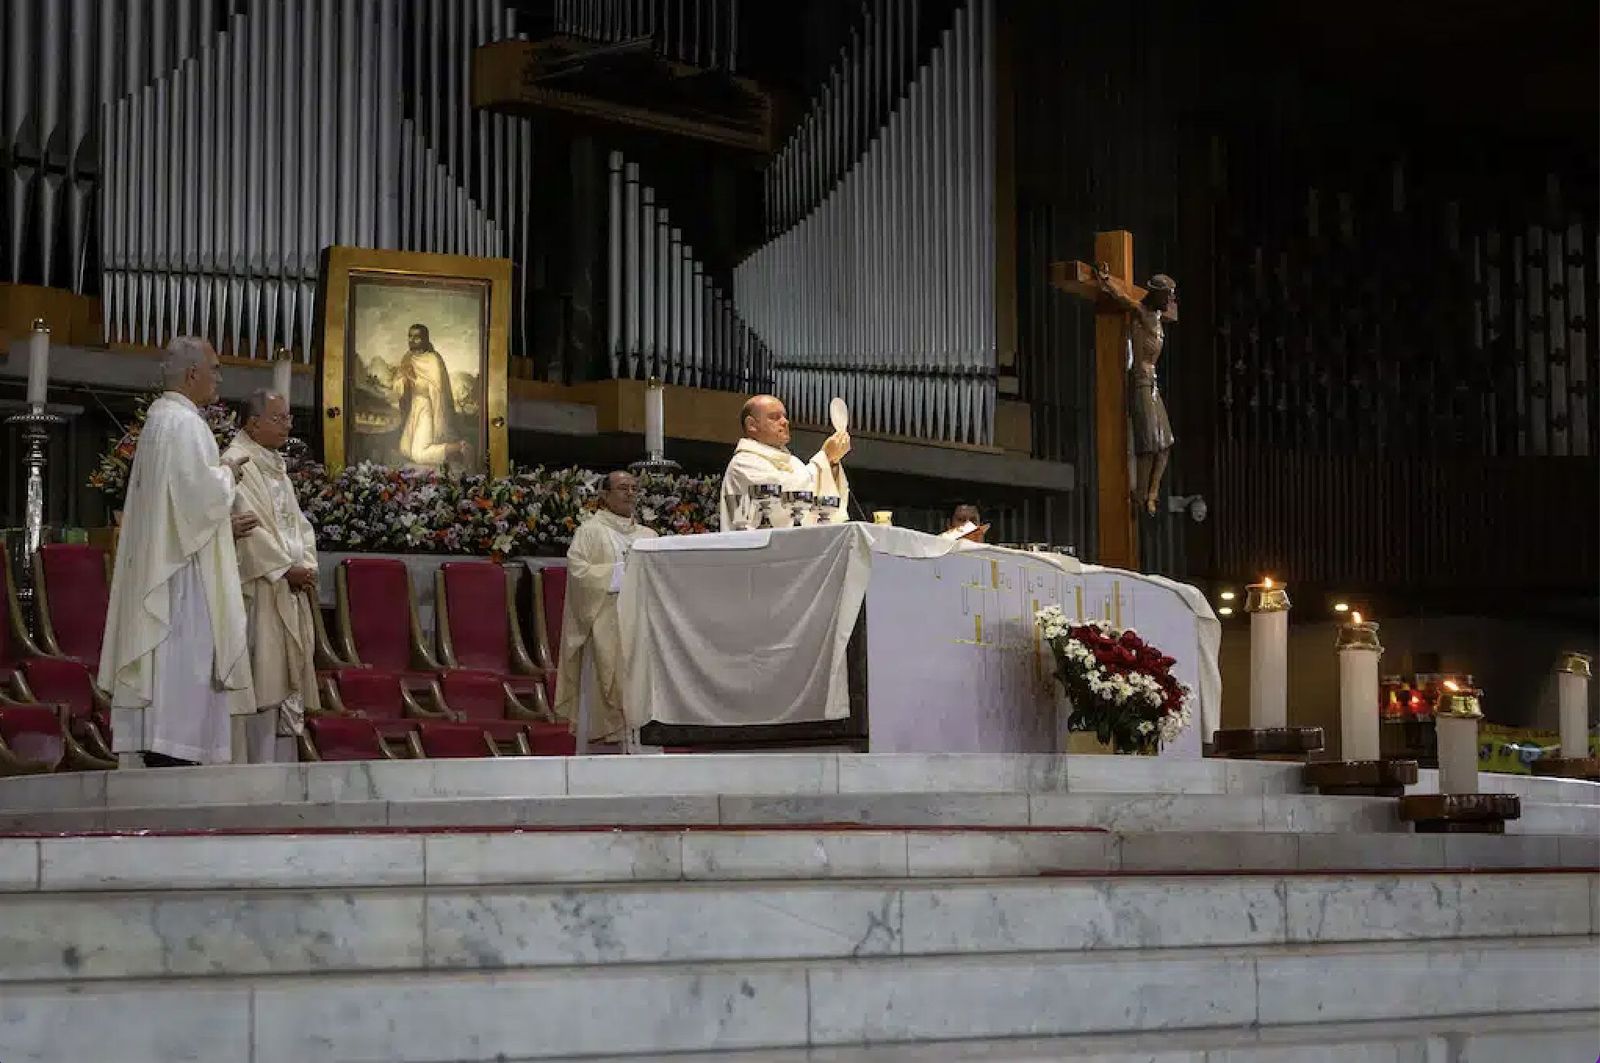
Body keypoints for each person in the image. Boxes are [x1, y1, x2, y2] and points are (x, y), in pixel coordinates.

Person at [98, 337, 257, 767]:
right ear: (192, 374)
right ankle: (175, 759)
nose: (220, 377)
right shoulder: (184, 425)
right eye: (216, 369)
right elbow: (197, 499)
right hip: (183, 581)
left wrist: (222, 519)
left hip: (174, 564)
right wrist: (227, 472)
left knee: (171, 684)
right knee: (182, 682)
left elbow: (180, 511)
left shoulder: (160, 420)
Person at [222, 389, 321, 763]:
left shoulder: (276, 465)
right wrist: (284, 569)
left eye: (289, 418)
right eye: (279, 418)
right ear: (253, 422)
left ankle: (281, 775)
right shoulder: (236, 463)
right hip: (260, 587)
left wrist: (307, 562)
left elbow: (298, 524)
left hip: (288, 587)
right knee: (261, 681)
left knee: (285, 683)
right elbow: (248, 528)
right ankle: (253, 777)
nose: (288, 425)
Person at [554, 471, 658, 750]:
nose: (630, 493)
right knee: (603, 689)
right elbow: (578, 574)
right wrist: (622, 575)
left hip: (640, 628)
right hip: (603, 624)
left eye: (635, 488)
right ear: (605, 495)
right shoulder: (590, 531)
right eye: (623, 488)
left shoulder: (649, 536)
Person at [1095, 268, 1178, 516]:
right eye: (1168, 296)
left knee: (1166, 444)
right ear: (1157, 295)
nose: (1171, 301)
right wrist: (1107, 281)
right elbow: (1123, 298)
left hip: (1153, 384)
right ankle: (1141, 495)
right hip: (1141, 382)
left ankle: (1152, 494)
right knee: (1149, 443)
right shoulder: (1142, 312)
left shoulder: (1158, 316)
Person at [718, 394, 851, 531]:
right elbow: (783, 493)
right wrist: (824, 458)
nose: (785, 422)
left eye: (784, 416)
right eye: (774, 417)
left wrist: (832, 462)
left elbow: (820, 501)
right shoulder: (743, 462)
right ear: (752, 425)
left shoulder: (794, 462)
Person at [395, 323, 469, 467]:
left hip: (428, 407)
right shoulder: (407, 358)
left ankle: (460, 447)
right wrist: (404, 379)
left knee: (419, 454)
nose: (411, 340)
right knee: (405, 450)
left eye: (416, 337)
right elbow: (398, 384)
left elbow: (436, 389)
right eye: (410, 336)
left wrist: (413, 380)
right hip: (414, 407)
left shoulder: (433, 360)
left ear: (425, 339)